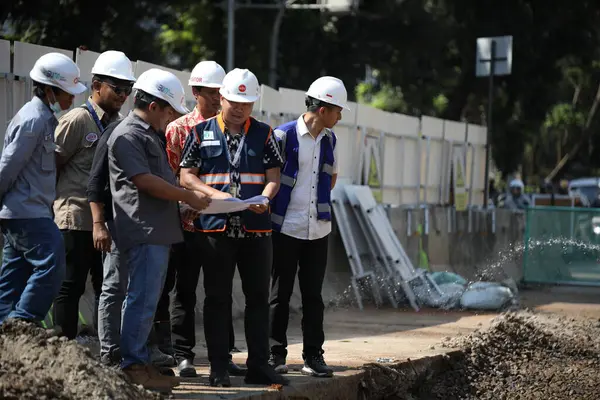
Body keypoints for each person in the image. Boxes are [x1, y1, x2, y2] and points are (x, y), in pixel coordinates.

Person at [180, 68, 288, 387]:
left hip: (256, 228)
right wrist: (216, 195)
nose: (240, 108)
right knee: (217, 298)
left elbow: (274, 178)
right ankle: (218, 368)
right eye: (234, 101)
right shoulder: (200, 132)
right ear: (221, 98)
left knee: (257, 298)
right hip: (215, 228)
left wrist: (265, 199)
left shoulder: (265, 134)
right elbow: (186, 176)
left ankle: (258, 365)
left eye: (246, 103)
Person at [107, 68, 210, 392]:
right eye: (168, 111)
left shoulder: (147, 134)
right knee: (140, 299)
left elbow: (162, 180)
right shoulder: (128, 135)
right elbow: (145, 181)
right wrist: (186, 195)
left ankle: (139, 361)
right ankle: (132, 366)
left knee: (146, 300)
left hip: (156, 231)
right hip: (143, 231)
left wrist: (182, 203)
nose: (170, 118)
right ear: (153, 106)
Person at [165, 60, 245, 378]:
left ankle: (222, 355)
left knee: (220, 292)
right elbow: (170, 177)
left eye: (220, 93)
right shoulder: (179, 129)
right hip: (185, 225)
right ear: (196, 92)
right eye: (211, 93)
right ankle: (183, 355)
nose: (216, 99)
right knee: (183, 290)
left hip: (222, 226)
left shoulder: (235, 129)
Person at [52, 51, 136, 340]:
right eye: (117, 88)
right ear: (97, 85)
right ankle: (65, 351)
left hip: (109, 221)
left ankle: (108, 350)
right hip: (75, 216)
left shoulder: (121, 124)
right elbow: (53, 166)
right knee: (70, 285)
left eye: (128, 90)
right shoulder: (77, 119)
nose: (123, 95)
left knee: (108, 287)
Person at [268, 76, 347, 378]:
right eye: (338, 110)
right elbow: (270, 177)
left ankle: (313, 356)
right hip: (286, 227)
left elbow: (332, 177)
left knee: (313, 296)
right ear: (324, 108)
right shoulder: (283, 135)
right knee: (279, 294)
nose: (339, 117)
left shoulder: (331, 140)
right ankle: (276, 354)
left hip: (318, 229)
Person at [0, 53, 86, 325]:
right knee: (53, 262)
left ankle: (4, 328)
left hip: (27, 212)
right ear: (49, 90)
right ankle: (23, 323)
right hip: (26, 213)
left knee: (13, 277)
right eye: (67, 93)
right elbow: (8, 167)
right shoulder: (33, 120)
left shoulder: (42, 118)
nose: (71, 99)